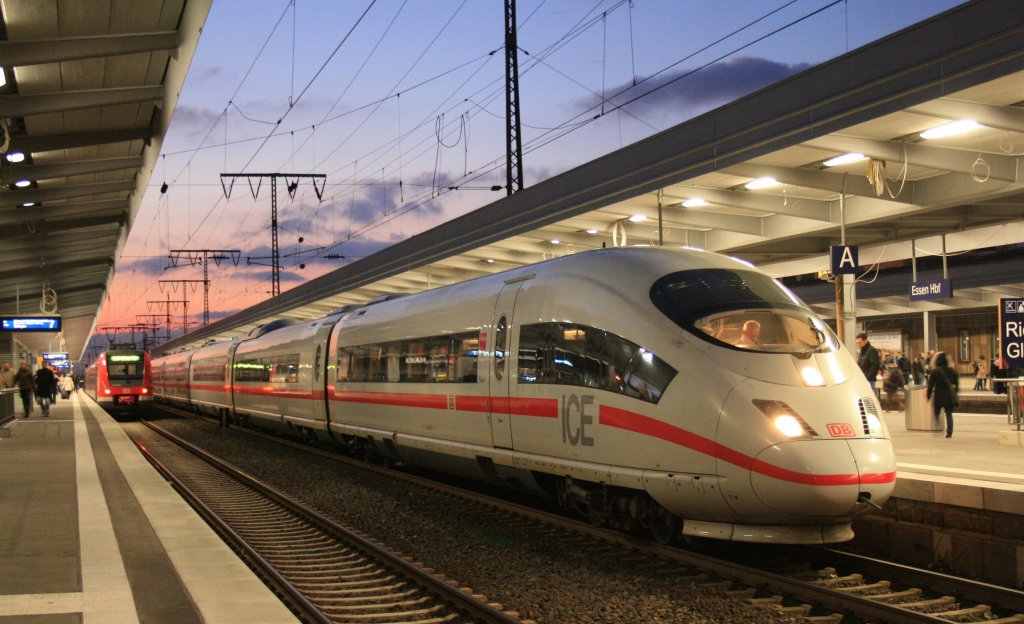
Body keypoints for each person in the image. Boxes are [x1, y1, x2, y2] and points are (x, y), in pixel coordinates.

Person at [926, 351, 959, 438]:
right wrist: (955, 394)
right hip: (948, 395)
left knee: (936, 412)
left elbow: (930, 386)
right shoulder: (952, 370)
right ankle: (949, 432)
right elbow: (956, 383)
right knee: (949, 414)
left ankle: (937, 425)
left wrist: (928, 396)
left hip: (939, 395)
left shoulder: (934, 371)